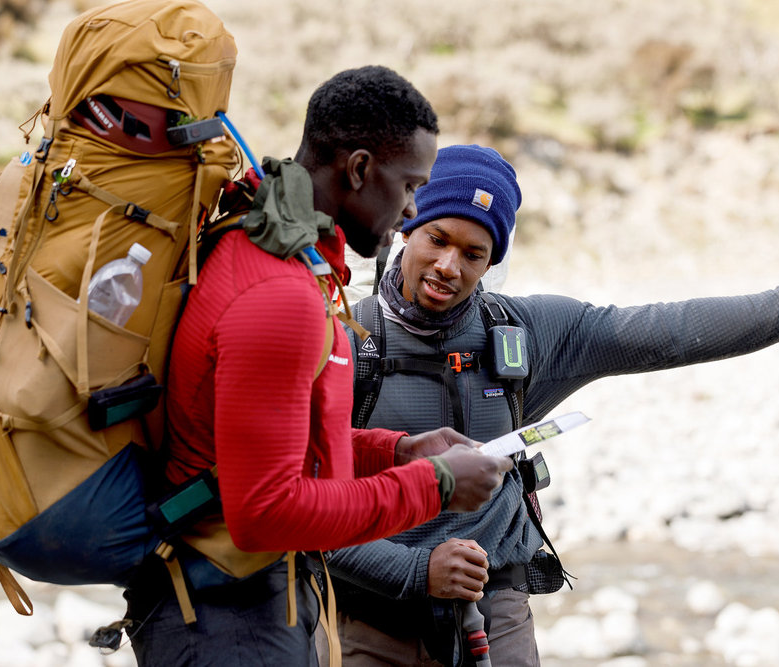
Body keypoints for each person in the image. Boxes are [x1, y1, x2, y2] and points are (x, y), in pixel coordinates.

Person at [326, 143, 779, 666]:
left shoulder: (525, 333)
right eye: (437, 240)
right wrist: (418, 570)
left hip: (495, 622)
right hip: (370, 624)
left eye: (474, 253)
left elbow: (669, 331)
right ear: (408, 227)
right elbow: (303, 509)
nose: (449, 267)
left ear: (492, 260)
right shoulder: (344, 340)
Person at [122, 70, 513, 666]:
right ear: (357, 169)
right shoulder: (279, 293)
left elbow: (276, 445)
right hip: (226, 615)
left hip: (240, 600)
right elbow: (265, 512)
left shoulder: (271, 249)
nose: (410, 208)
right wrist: (437, 484)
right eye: (410, 185)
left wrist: (398, 451)